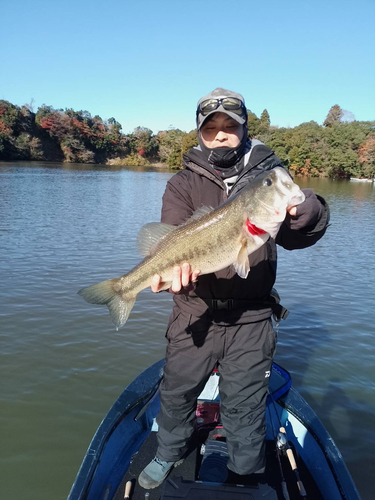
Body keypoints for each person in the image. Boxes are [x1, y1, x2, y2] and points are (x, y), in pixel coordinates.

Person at [138, 88, 330, 489]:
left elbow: (301, 231)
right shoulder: (182, 183)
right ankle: (168, 451)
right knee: (176, 392)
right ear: (200, 133)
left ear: (244, 129)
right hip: (195, 312)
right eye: (211, 128)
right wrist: (165, 273)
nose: (221, 134)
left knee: (245, 407)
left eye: (230, 126)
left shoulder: (270, 177)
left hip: (252, 318)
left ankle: (243, 474)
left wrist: (309, 209)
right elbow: (170, 236)